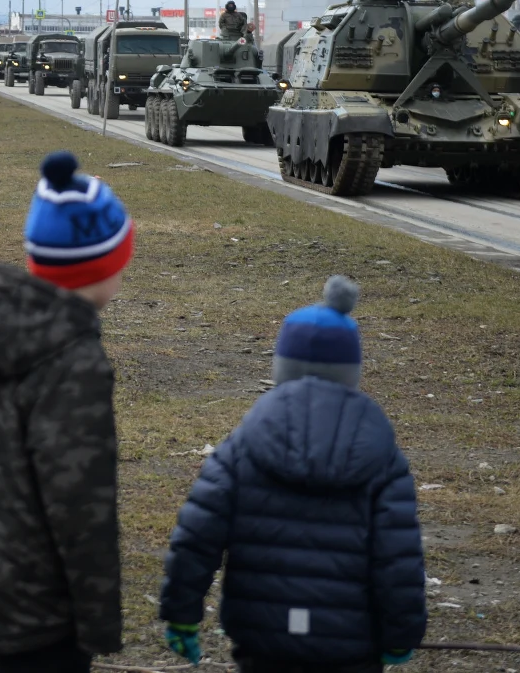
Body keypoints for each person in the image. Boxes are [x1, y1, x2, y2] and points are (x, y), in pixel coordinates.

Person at [158, 277, 427, 673]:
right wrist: (401, 634)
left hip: (262, 637)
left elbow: (198, 538)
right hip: (351, 643)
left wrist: (182, 613)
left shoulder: (242, 446)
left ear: (281, 365)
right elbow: (398, 557)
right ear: (352, 369)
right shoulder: (383, 457)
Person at [0, 151, 132, 673]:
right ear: (97, 266)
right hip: (47, 611)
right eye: (121, 261)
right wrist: (100, 620)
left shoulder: (4, 329)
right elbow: (81, 504)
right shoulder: (74, 363)